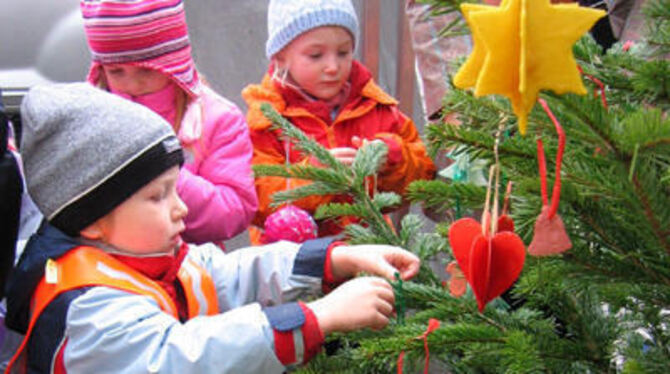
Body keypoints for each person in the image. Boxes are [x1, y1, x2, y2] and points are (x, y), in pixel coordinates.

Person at [4, 83, 420, 373]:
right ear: (92, 219)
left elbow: (223, 273)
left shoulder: (141, 256)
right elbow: (182, 358)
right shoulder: (86, 307)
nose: (180, 208)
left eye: (174, 189)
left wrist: (334, 258)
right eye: (157, 196)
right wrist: (317, 317)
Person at [242, 0, 436, 243]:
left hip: (371, 254)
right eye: (315, 55)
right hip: (293, 267)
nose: (333, 67)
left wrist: (392, 157)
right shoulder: (266, 120)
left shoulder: (375, 108)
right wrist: (314, 176)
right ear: (280, 58)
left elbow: (423, 177)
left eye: (343, 52)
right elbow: (254, 199)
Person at [80, 0, 258, 245]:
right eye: (116, 72)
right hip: (108, 264)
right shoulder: (94, 114)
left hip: (188, 267)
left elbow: (235, 210)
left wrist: (162, 170)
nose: (132, 84)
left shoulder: (216, 118)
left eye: (146, 71)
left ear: (175, 65)